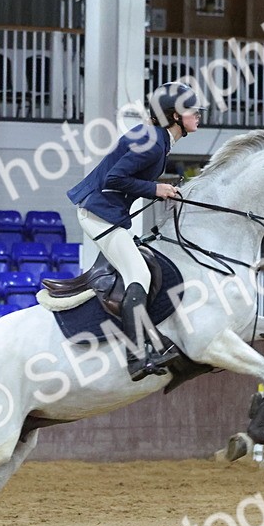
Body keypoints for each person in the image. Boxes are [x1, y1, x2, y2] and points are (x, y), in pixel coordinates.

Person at [66, 82, 203, 381]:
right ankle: (136, 356)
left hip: (107, 211)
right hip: (98, 212)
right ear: (175, 116)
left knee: (142, 271)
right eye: (192, 110)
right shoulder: (154, 141)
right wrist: (157, 189)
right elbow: (115, 178)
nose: (198, 115)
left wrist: (160, 190)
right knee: (138, 275)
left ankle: (149, 342)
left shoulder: (158, 139)